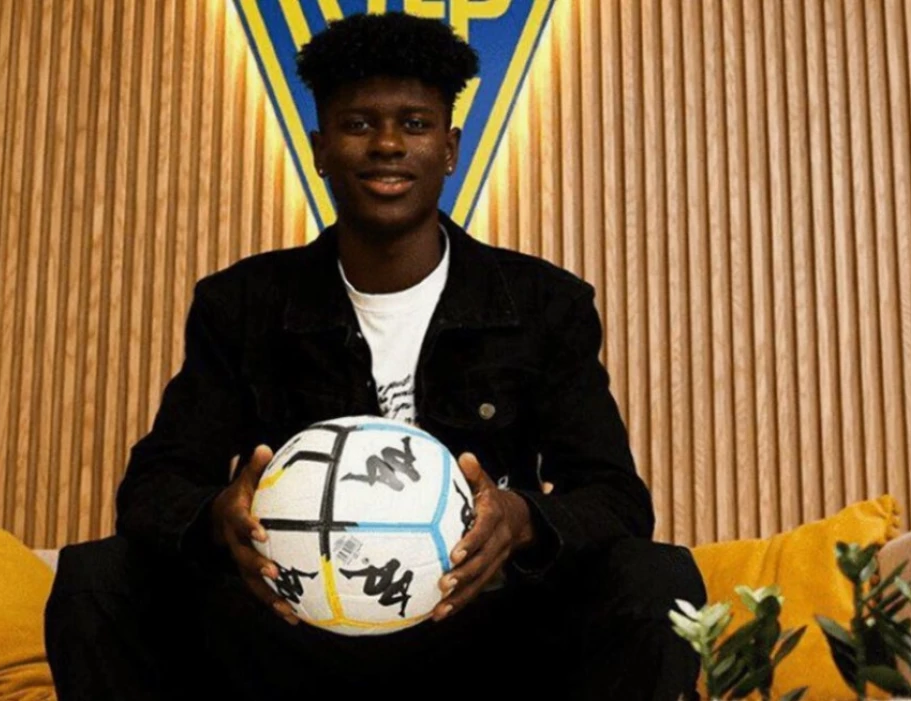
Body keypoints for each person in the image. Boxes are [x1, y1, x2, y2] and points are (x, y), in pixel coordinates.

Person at [45, 12, 705, 700]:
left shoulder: (544, 303)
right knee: (98, 576)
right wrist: (219, 515)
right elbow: (153, 488)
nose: (387, 144)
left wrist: (520, 519)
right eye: (358, 124)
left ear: (449, 148)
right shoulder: (241, 303)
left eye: (414, 124)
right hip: (290, 635)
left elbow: (616, 499)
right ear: (320, 149)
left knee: (657, 579)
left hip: (481, 636)